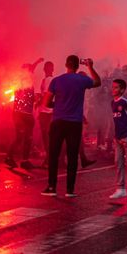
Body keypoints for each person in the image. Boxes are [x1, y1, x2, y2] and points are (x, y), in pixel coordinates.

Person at [41, 55, 101, 197]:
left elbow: (46, 102)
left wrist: (58, 105)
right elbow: (97, 82)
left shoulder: (56, 80)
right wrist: (90, 67)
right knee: (73, 156)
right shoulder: (82, 80)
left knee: (54, 154)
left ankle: (51, 187)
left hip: (58, 121)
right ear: (77, 66)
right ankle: (70, 190)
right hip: (74, 123)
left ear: (66, 64)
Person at [6, 58, 43, 170]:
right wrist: (37, 62)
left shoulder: (29, 82)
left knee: (28, 138)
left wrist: (37, 99)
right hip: (20, 114)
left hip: (27, 114)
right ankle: (9, 157)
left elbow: (31, 99)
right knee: (20, 137)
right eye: (30, 70)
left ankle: (24, 161)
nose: (32, 73)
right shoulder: (21, 82)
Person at [36, 61, 55, 168]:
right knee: (46, 136)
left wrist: (39, 101)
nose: (46, 70)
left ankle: (48, 160)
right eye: (46, 68)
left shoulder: (49, 80)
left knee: (46, 136)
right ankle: (48, 159)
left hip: (46, 112)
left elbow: (48, 96)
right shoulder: (46, 79)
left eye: (48, 68)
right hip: (46, 111)